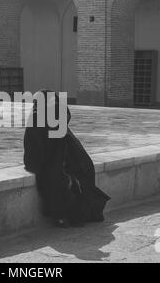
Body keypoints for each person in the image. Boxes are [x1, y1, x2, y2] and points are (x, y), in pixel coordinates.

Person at [23, 89, 110, 227]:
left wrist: (33, 166)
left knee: (54, 181)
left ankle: (62, 216)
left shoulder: (36, 119)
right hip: (74, 165)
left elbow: (34, 153)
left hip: (56, 169)